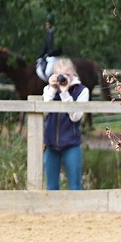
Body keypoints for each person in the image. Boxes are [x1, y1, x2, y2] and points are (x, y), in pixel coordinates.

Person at [42, 57, 90, 190]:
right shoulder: (49, 90)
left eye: (67, 75)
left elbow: (75, 117)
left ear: (73, 73)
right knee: (51, 187)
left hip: (71, 142)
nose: (64, 79)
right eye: (60, 75)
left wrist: (65, 93)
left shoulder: (82, 91)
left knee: (75, 186)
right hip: (51, 143)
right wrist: (52, 89)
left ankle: (78, 211)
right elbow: (44, 112)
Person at [36, 14, 60, 82]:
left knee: (47, 73)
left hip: (55, 58)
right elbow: (44, 48)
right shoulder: (47, 34)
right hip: (48, 58)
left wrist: (48, 54)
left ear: (50, 24)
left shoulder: (56, 33)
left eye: (47, 23)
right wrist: (39, 57)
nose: (45, 25)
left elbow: (58, 49)